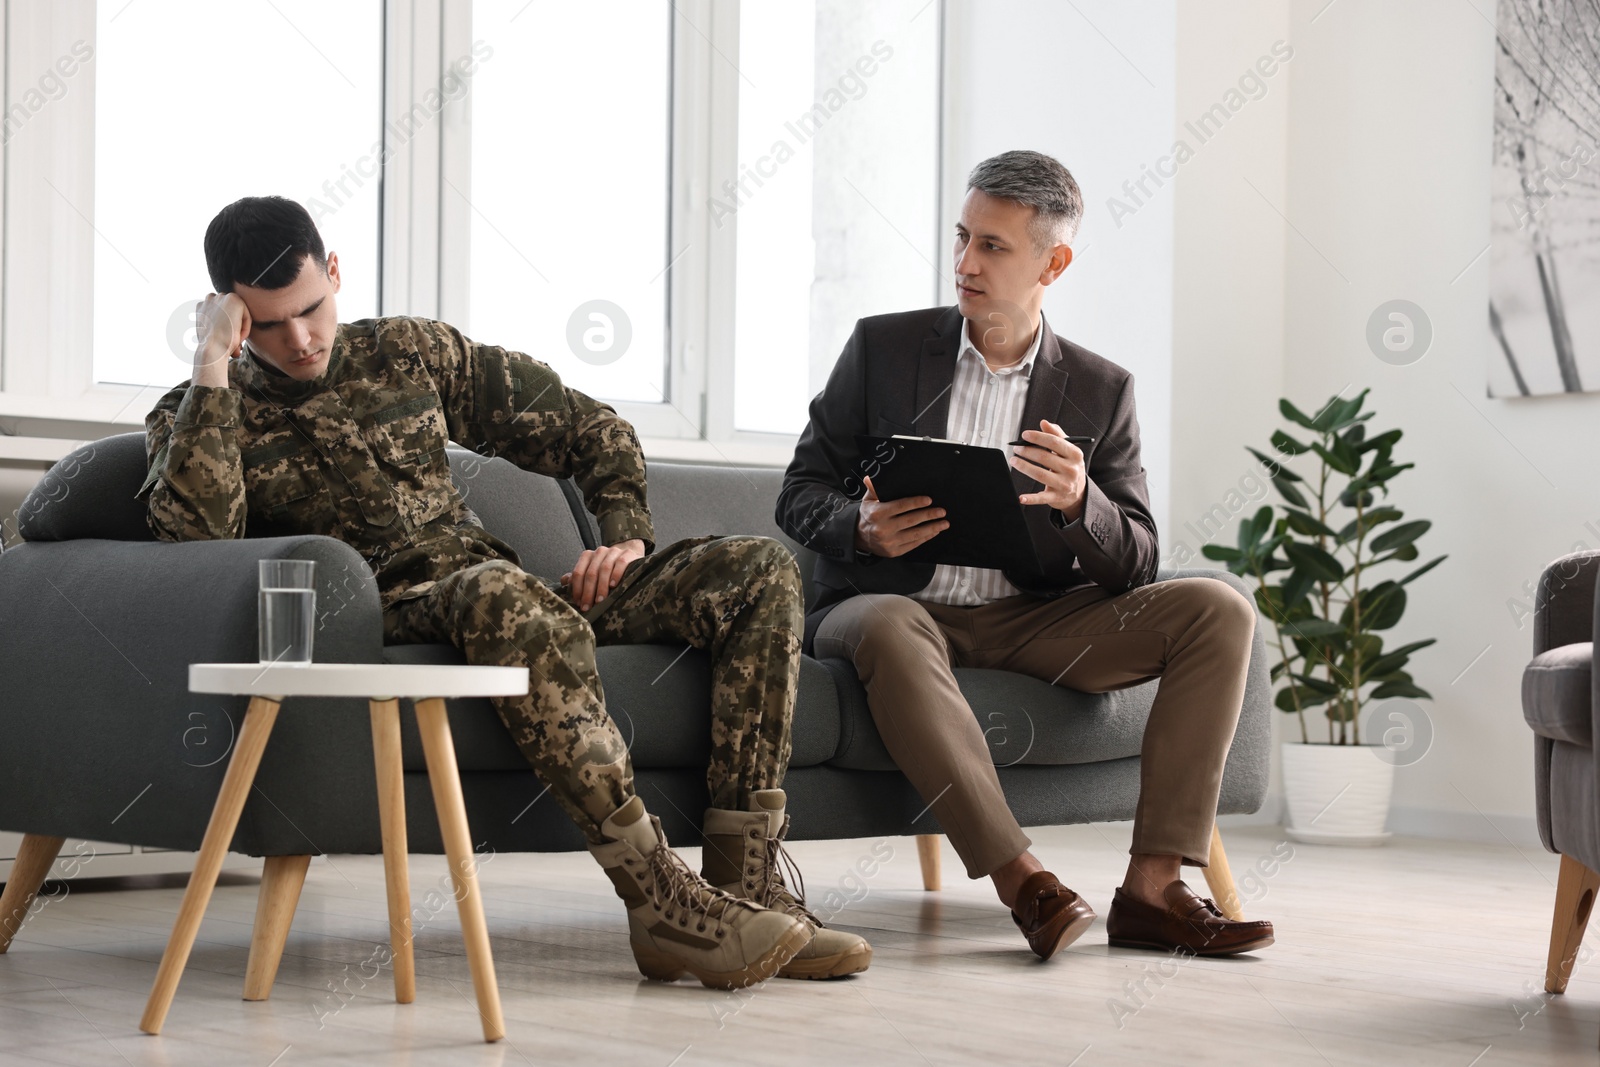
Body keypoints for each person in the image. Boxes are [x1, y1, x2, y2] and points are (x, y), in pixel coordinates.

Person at [141, 196, 870, 987]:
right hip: (399, 615)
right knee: (498, 591)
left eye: (313, 309)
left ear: (337, 271)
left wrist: (623, 536)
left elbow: (587, 427)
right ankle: (660, 903)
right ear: (231, 313)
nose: (302, 339)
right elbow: (195, 547)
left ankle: (745, 896)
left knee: (760, 570)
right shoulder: (197, 413)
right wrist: (212, 366)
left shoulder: (408, 351)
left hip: (512, 595)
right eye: (270, 324)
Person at [776, 150, 1275, 960]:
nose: (965, 264)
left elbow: (1139, 558)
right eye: (963, 237)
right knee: (894, 627)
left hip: (1036, 615)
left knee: (1219, 606)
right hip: (895, 608)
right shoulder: (882, 349)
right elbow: (799, 488)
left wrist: (1086, 504)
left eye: (993, 247)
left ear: (1055, 260)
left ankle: (1152, 888)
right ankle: (1026, 884)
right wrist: (858, 527)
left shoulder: (1099, 389)